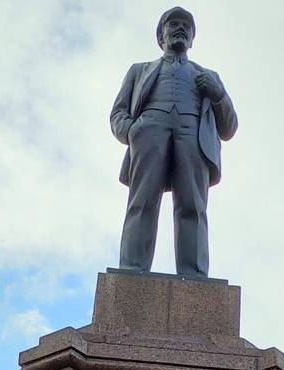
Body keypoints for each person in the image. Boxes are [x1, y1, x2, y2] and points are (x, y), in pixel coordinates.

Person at [110, 6, 238, 278]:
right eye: (173, 24)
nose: (180, 28)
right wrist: (133, 131)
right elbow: (118, 112)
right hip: (149, 131)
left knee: (192, 205)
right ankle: (132, 267)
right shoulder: (139, 70)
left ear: (192, 39)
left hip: (193, 134)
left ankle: (194, 274)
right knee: (142, 200)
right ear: (161, 36)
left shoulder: (209, 76)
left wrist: (218, 95)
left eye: (186, 26)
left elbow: (229, 128)